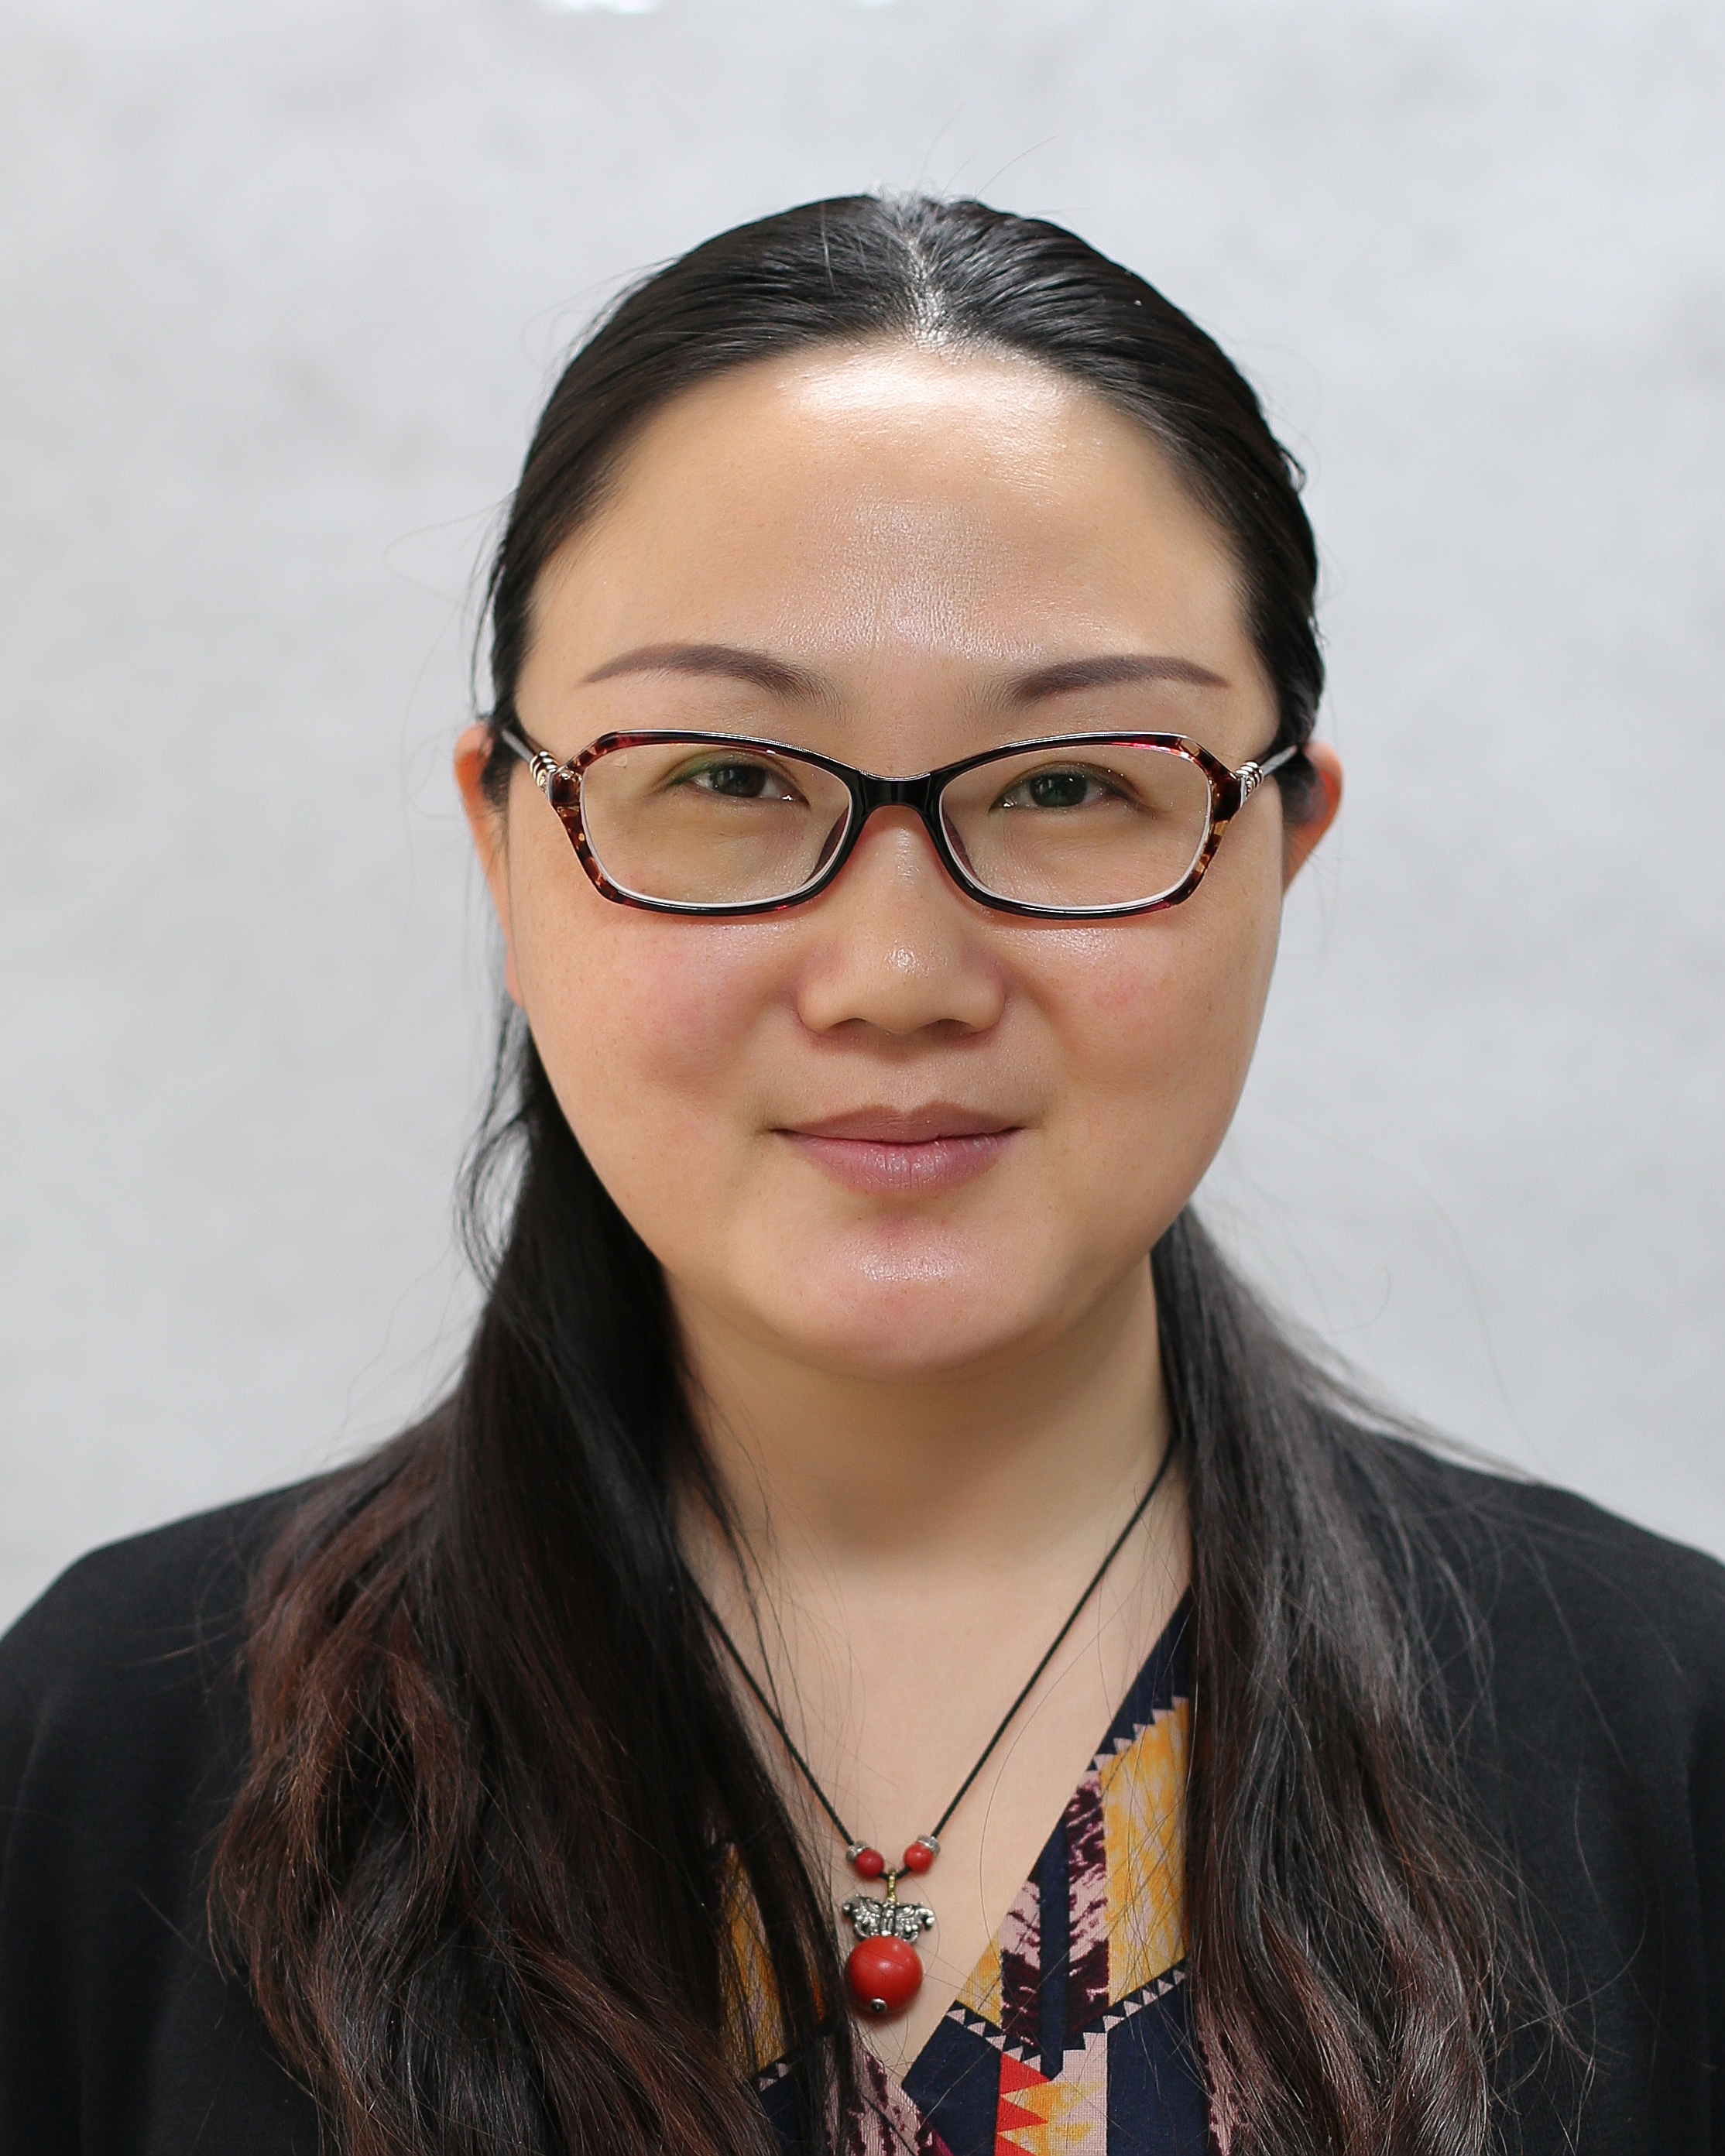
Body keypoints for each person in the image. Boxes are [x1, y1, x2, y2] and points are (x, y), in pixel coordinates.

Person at [1, 194, 1720, 2156]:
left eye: (1070, 784)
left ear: (1279, 852)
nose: (897, 974)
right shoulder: (106, 1762)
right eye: (728, 779)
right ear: (506, 845)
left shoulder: (1658, 1745)